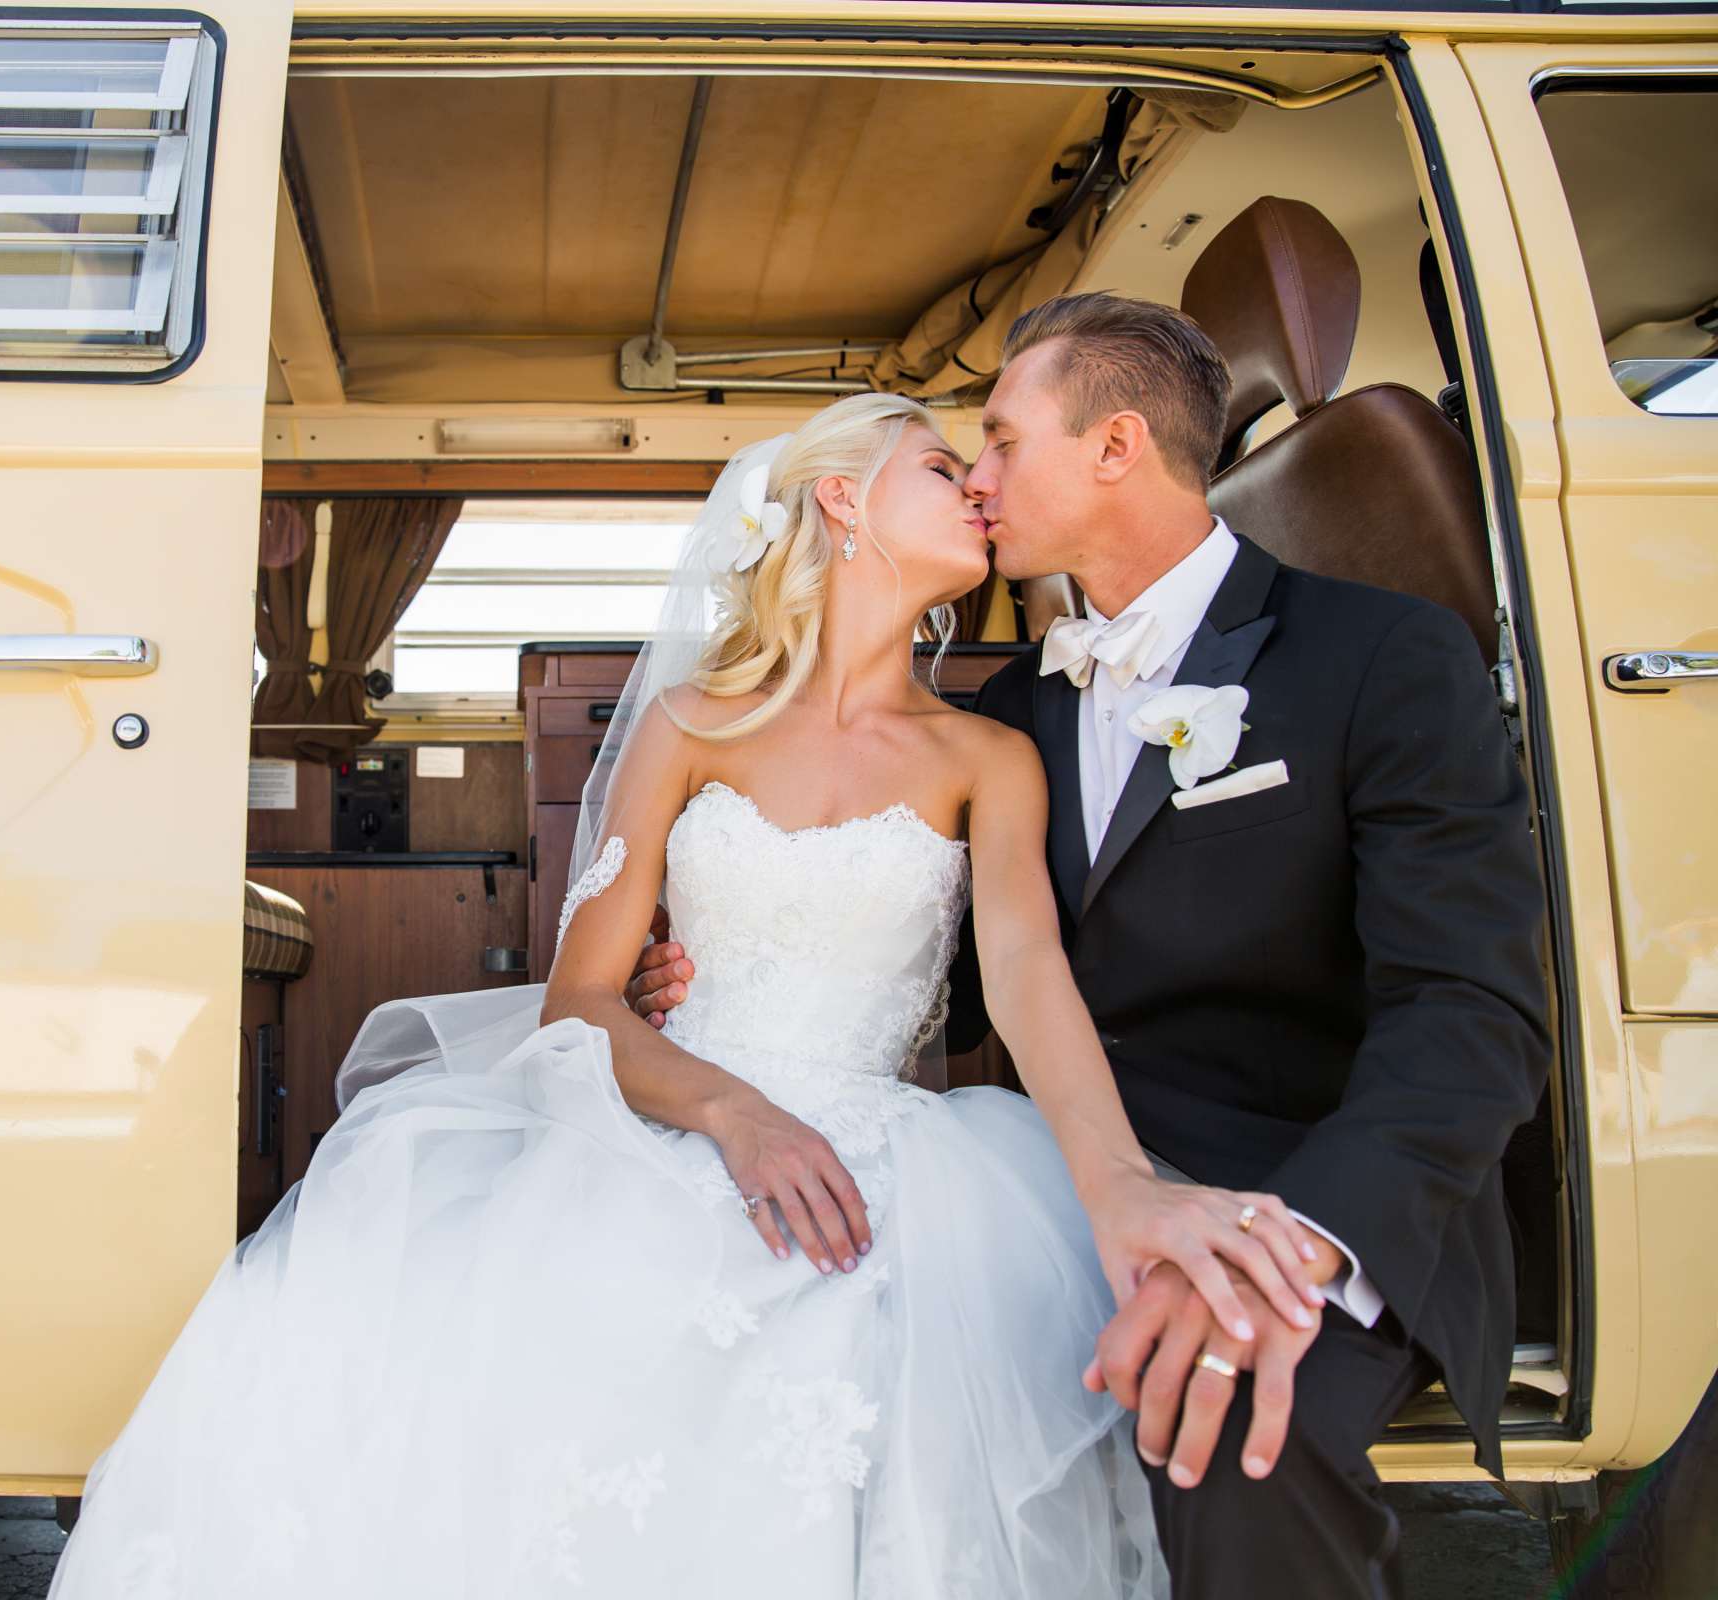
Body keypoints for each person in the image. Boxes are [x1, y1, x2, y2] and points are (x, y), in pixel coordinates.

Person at [48, 391, 1330, 1597]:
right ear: (839, 501)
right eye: (945, 465)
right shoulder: (689, 723)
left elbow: (1030, 974)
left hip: (889, 1159)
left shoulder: (989, 755)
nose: (982, 486)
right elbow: (582, 1001)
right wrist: (731, 1112)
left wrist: (1117, 1179)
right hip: (668, 1124)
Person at [630, 295, 1551, 1599]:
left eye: (999, 443)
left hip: (1312, 1187)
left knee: (1223, 1419)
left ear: (1114, 449)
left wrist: (1293, 1249)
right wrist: (716, 975)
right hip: (1049, 1183)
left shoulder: (1379, 658)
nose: (980, 480)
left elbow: (1473, 1016)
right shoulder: (1017, 708)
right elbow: (963, 970)